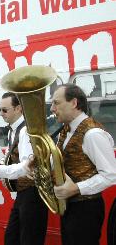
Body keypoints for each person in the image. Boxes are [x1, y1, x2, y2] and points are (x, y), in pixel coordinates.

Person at [51, 84, 116, 245]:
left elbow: (111, 175)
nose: (52, 108)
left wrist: (76, 188)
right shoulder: (65, 130)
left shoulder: (92, 134)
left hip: (86, 209)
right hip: (70, 207)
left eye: (56, 103)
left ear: (74, 103)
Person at [0, 92, 48, 245]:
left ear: (18, 109)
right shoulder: (14, 130)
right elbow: (16, 162)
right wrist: (0, 169)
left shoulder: (26, 131)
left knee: (28, 240)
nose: (0, 114)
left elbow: (27, 168)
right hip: (24, 194)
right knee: (12, 238)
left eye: (4, 110)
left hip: (34, 193)